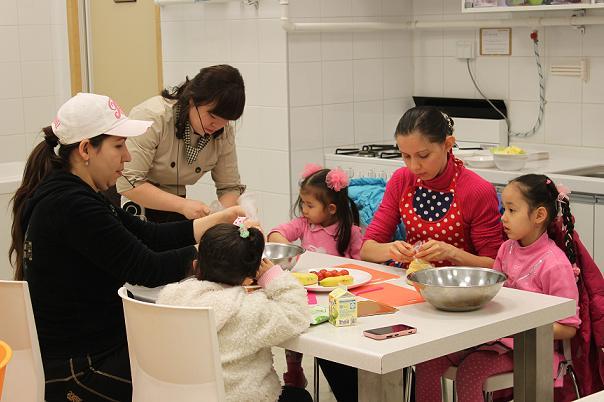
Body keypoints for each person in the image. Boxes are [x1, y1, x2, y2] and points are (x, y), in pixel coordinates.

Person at [8, 93, 247, 402]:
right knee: (210, 369)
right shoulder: (71, 205)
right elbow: (148, 268)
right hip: (80, 369)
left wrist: (218, 221)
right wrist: (221, 254)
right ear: (85, 150)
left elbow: (149, 235)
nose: (128, 157)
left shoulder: (74, 193)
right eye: (119, 146)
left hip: (92, 349)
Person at [319, 106, 505, 401]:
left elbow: (496, 265)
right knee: (336, 340)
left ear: (447, 144)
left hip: (462, 305)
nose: (414, 166)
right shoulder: (402, 181)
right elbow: (368, 248)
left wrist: (453, 253)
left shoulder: (476, 190)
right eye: (405, 156)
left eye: (423, 155)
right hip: (414, 296)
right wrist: (390, 249)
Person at [415, 174, 581, 402]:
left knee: (469, 373)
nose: (503, 218)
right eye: (504, 210)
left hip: (529, 350)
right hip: (490, 340)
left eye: (512, 211)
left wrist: (519, 327)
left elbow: (569, 328)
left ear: (539, 215)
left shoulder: (555, 263)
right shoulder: (506, 250)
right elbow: (494, 297)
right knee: (427, 360)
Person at [157, 223, 312, 402]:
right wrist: (273, 278)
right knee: (301, 397)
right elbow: (296, 314)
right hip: (238, 397)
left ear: (195, 265)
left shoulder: (170, 297)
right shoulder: (248, 309)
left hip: (179, 396)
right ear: (249, 278)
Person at [267, 164, 362, 389]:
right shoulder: (303, 225)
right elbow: (276, 233)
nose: (304, 210)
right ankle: (294, 367)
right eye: (302, 204)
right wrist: (289, 249)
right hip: (307, 292)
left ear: (331, 208)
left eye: (310, 205)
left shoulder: (350, 232)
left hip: (336, 299)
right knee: (297, 324)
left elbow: (361, 266)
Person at [116, 64, 246, 223]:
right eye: (212, 116)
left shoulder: (223, 132)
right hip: (131, 201)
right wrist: (184, 206)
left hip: (173, 204)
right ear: (192, 100)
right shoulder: (153, 117)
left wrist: (218, 216)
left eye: (225, 121)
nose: (217, 126)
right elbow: (129, 182)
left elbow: (230, 187)